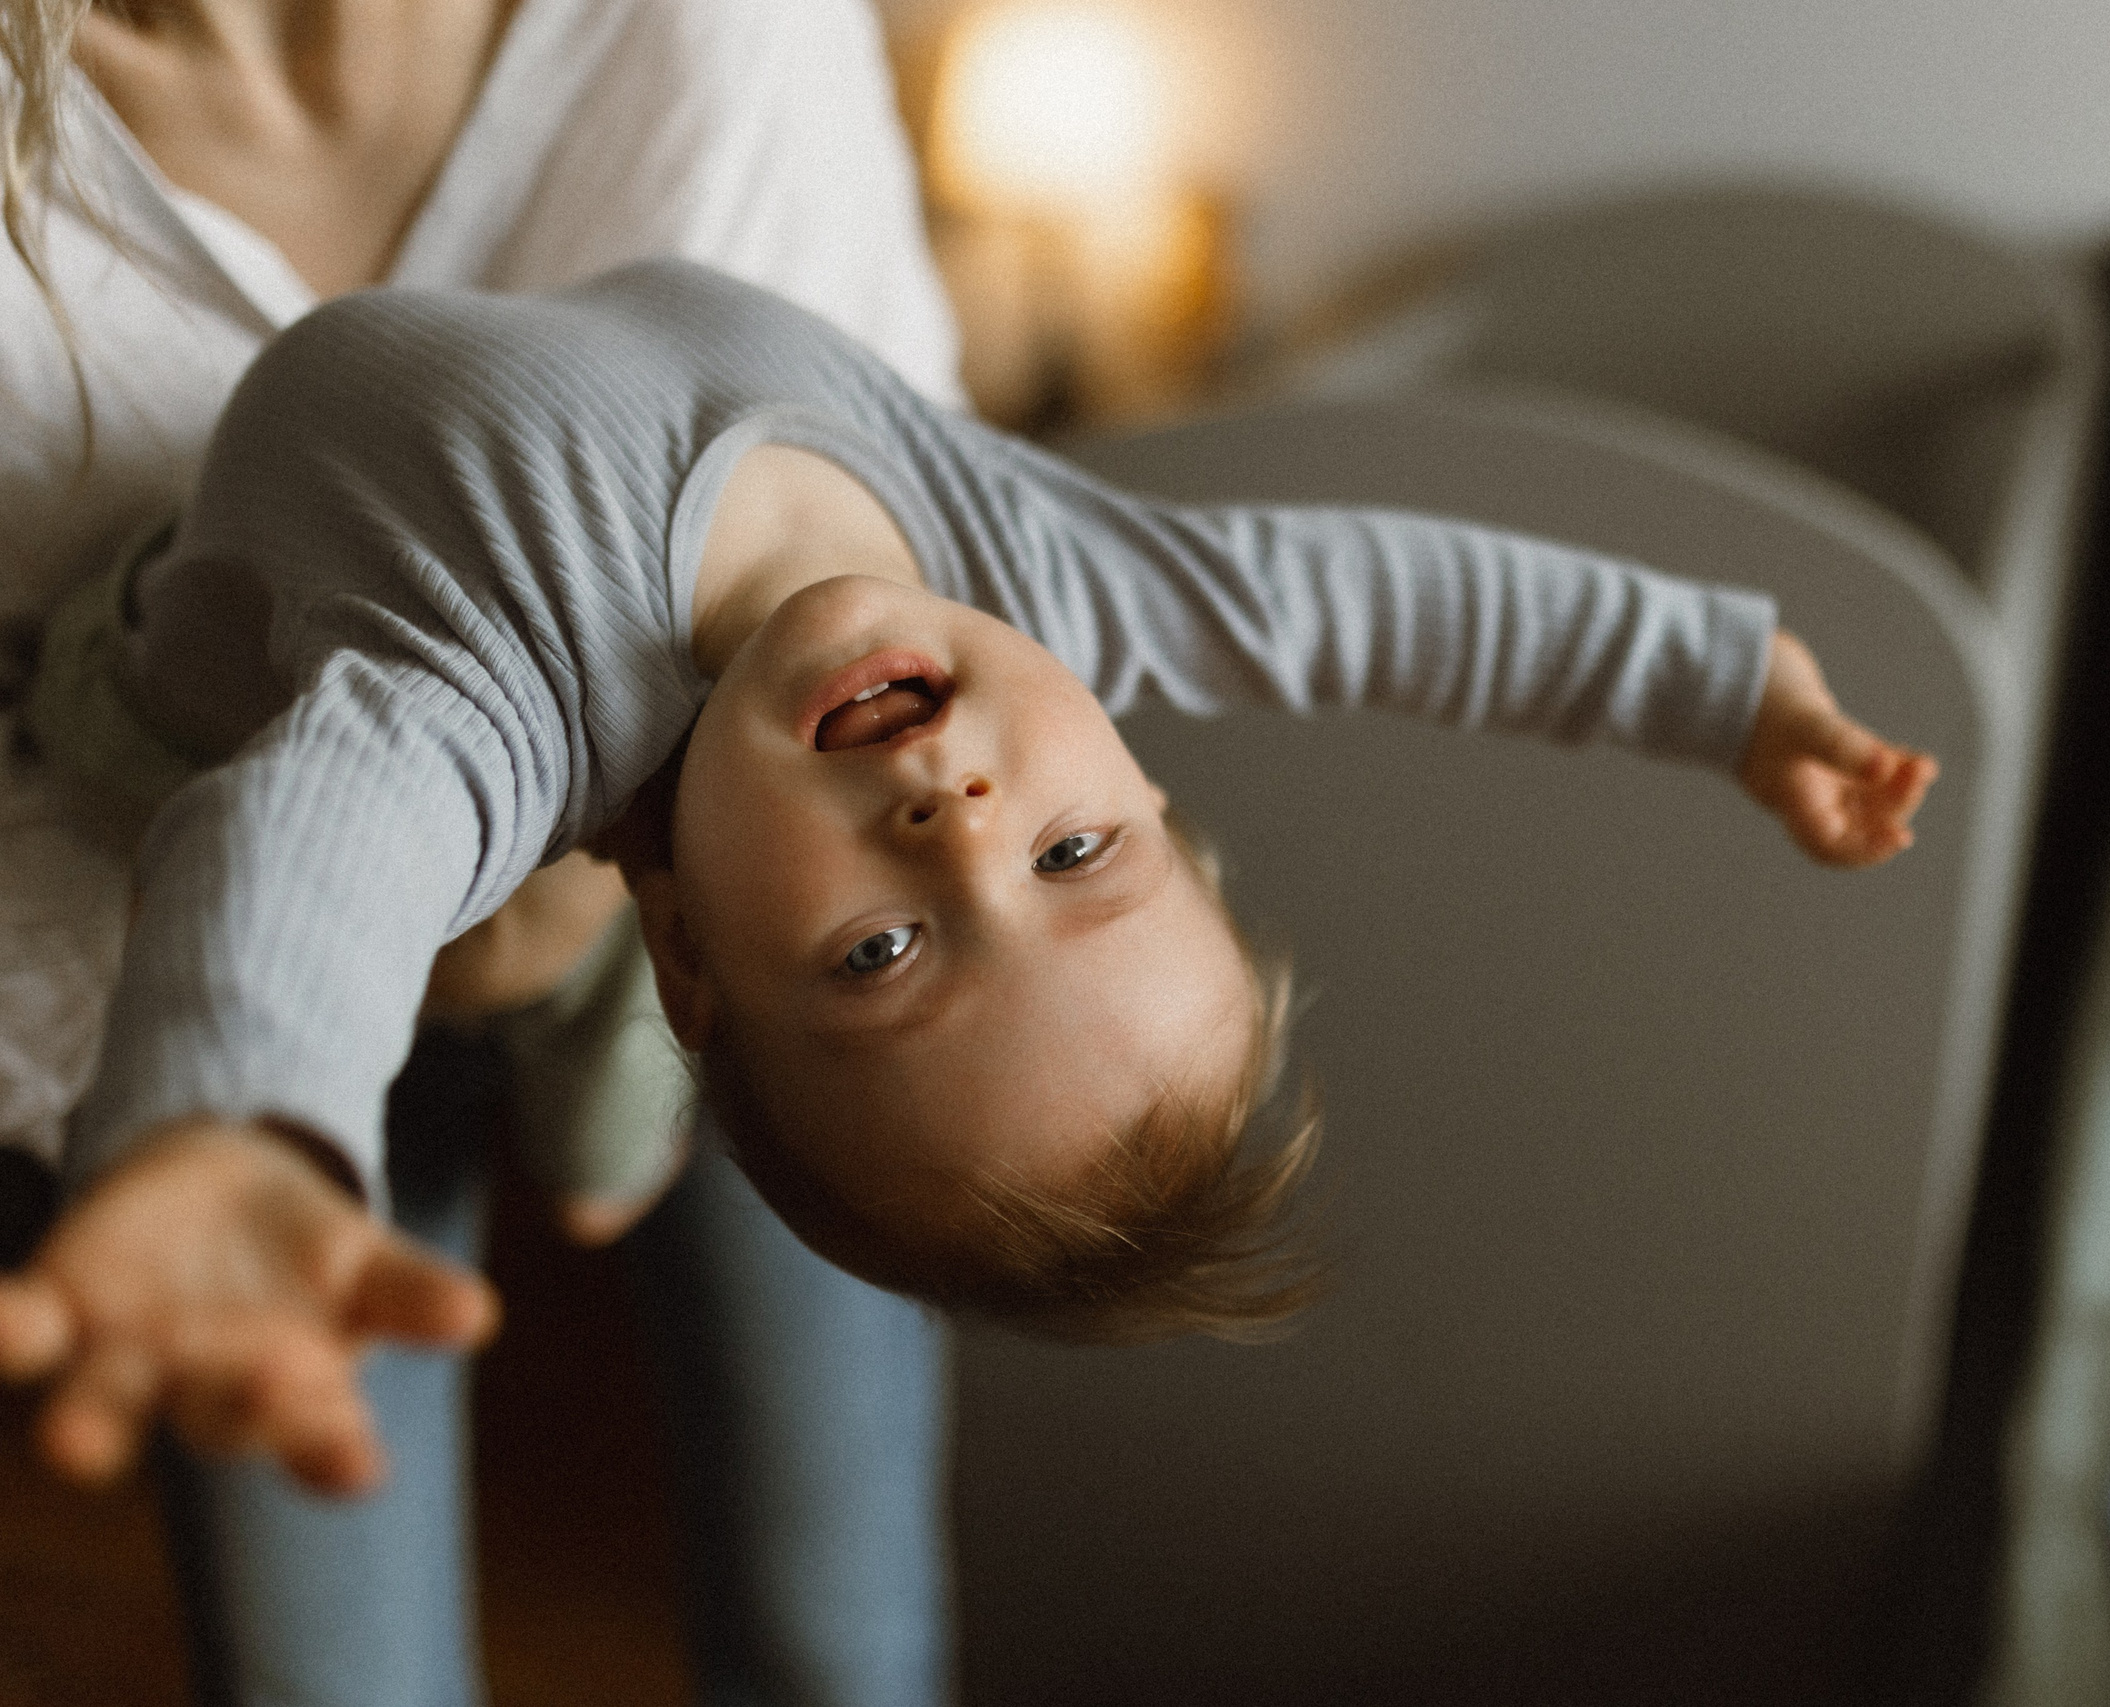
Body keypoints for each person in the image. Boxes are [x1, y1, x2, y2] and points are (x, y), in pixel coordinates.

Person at [0, 258, 1939, 1498]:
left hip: (146, 685)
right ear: (1146, 772)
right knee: (578, 989)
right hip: (671, 886)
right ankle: (610, 1076)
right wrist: (1715, 685)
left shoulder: (490, 697)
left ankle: (592, 1045)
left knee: (463, 943)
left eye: (885, 951)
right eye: (1077, 849)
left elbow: (297, 864)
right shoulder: (1030, 575)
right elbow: (1382, 599)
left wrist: (235, 1130)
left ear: (696, 944)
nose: (957, 821)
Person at [0, 0, 962, 1700]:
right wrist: (236, 1055)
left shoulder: (711, 39)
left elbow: (909, 501)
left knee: (845, 1638)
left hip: (769, 939)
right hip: (205, 1002)